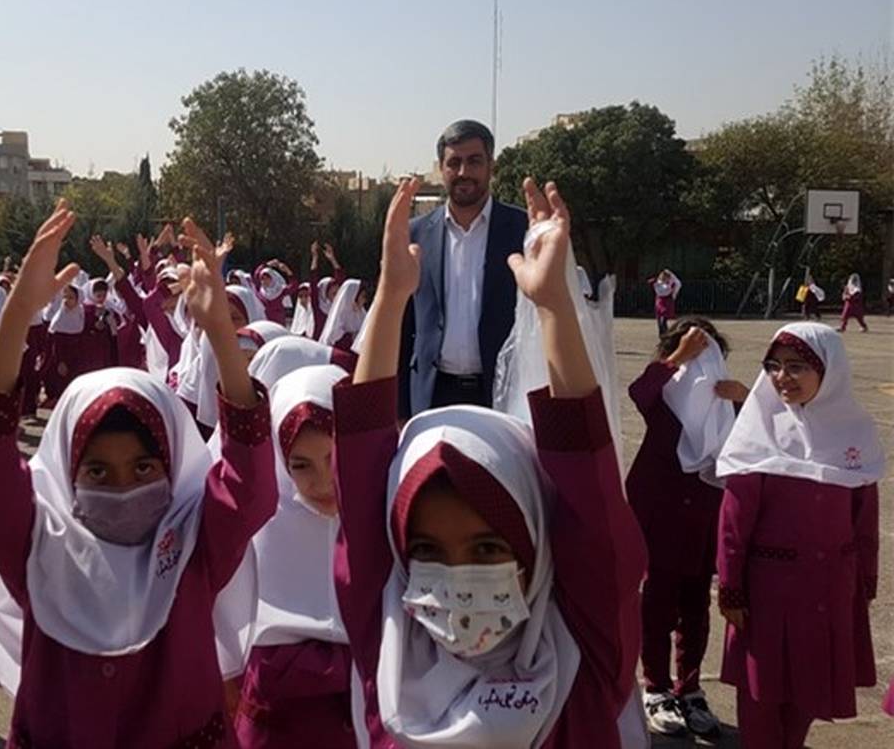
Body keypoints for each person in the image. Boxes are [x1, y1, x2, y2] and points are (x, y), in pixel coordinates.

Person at [333, 175, 646, 747]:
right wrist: (391, 297)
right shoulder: (390, 651)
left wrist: (555, 310)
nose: (458, 578)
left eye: (486, 549)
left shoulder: (583, 654)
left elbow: (592, 498)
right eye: (428, 551)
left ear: (538, 549)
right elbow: (359, 478)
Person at [0, 202, 278, 746]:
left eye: (143, 468)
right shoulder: (39, 546)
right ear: (69, 474)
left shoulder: (193, 544)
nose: (124, 487)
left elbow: (250, 488)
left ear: (170, 467)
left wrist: (222, 337)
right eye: (99, 472)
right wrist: (16, 316)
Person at [716, 322, 883, 749]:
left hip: (829, 589)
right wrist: (731, 587)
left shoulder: (855, 434)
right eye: (773, 366)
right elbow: (734, 523)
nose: (781, 377)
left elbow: (865, 520)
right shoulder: (758, 434)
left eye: (796, 367)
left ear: (829, 370)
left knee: (809, 691)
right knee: (761, 697)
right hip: (768, 594)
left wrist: (864, 581)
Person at [214, 364, 355, 747]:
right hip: (278, 719)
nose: (322, 481)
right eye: (300, 464)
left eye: (332, 457)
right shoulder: (261, 526)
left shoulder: (378, 513)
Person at [624, 318, 747, 738]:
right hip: (660, 516)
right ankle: (656, 686)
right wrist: (678, 358)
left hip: (705, 517)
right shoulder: (665, 398)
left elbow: (766, 431)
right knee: (657, 605)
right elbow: (639, 391)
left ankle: (690, 688)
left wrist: (745, 397)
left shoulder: (725, 405)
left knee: (696, 607)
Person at [398, 120, 529, 415]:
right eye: (454, 163)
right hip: (430, 395)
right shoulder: (415, 234)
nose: (463, 172)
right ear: (442, 168)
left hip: (501, 394)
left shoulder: (522, 230)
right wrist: (401, 409)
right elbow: (402, 325)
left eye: (474, 161)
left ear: (491, 166)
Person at [650, 269, 681, 337]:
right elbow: (657, 288)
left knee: (663, 319)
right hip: (660, 301)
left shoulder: (672, 283)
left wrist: (672, 275)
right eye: (663, 276)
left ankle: (665, 334)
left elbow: (678, 283)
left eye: (666, 276)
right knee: (659, 319)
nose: (665, 277)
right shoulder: (657, 282)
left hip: (667, 302)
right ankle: (662, 334)